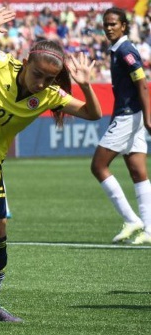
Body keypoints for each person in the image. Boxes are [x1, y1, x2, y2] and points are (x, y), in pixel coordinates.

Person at [0, 8, 101, 321]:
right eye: (37, 74)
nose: (41, 83)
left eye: (49, 79)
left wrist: (86, 85)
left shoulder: (51, 96)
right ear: (25, 63)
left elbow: (93, 114)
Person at [91, 7, 151, 245]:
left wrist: (148, 117)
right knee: (138, 172)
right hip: (128, 115)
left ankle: (131, 219)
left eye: (113, 24)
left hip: (129, 116)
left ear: (124, 26)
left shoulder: (126, 50)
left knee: (98, 166)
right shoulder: (117, 49)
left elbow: (142, 84)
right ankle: (149, 229)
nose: (108, 28)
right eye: (106, 24)